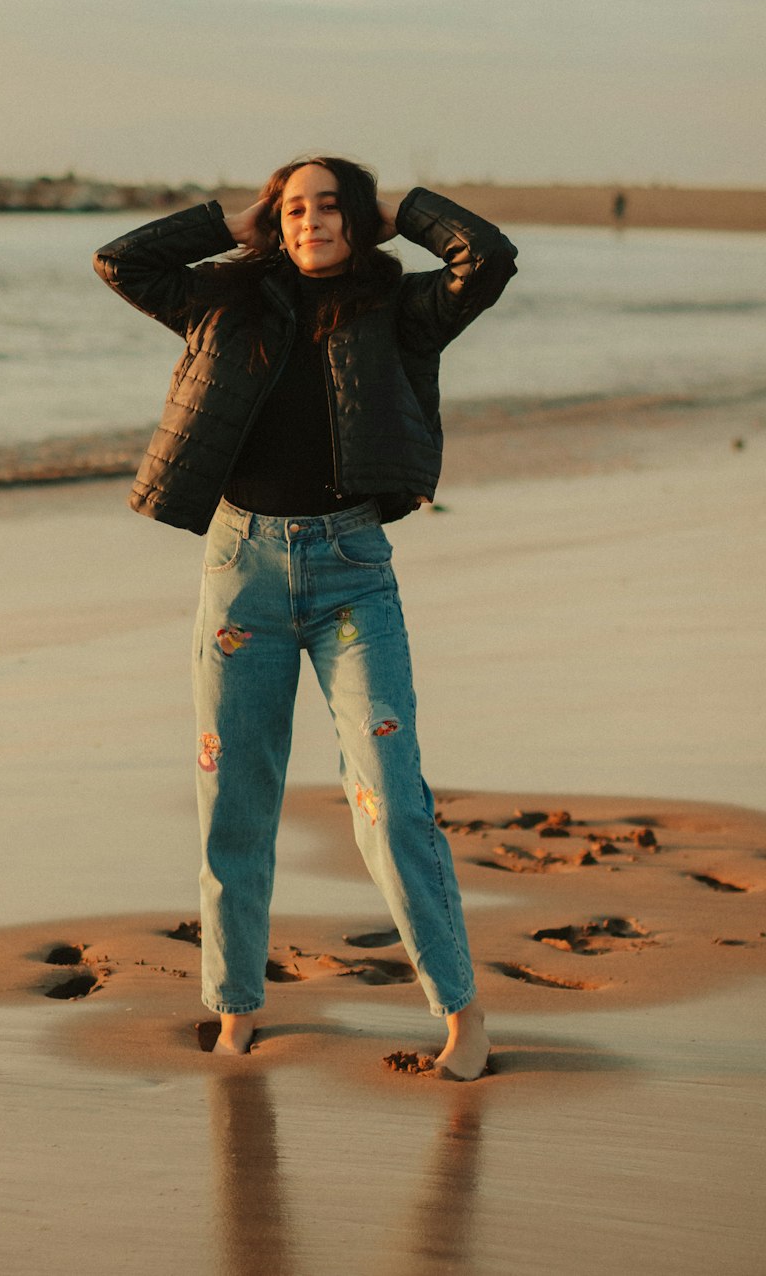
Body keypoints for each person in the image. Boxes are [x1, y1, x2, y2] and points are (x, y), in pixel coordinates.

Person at [94, 156, 517, 1078]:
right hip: (239, 572)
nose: (313, 220)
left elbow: (486, 257)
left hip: (352, 573)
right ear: (274, 220)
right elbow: (122, 262)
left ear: (357, 221)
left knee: (391, 800)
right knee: (234, 800)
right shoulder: (224, 302)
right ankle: (236, 1004)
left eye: (332, 206)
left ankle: (461, 1011)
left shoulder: (401, 312)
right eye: (296, 207)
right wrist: (228, 223)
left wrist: (403, 209)